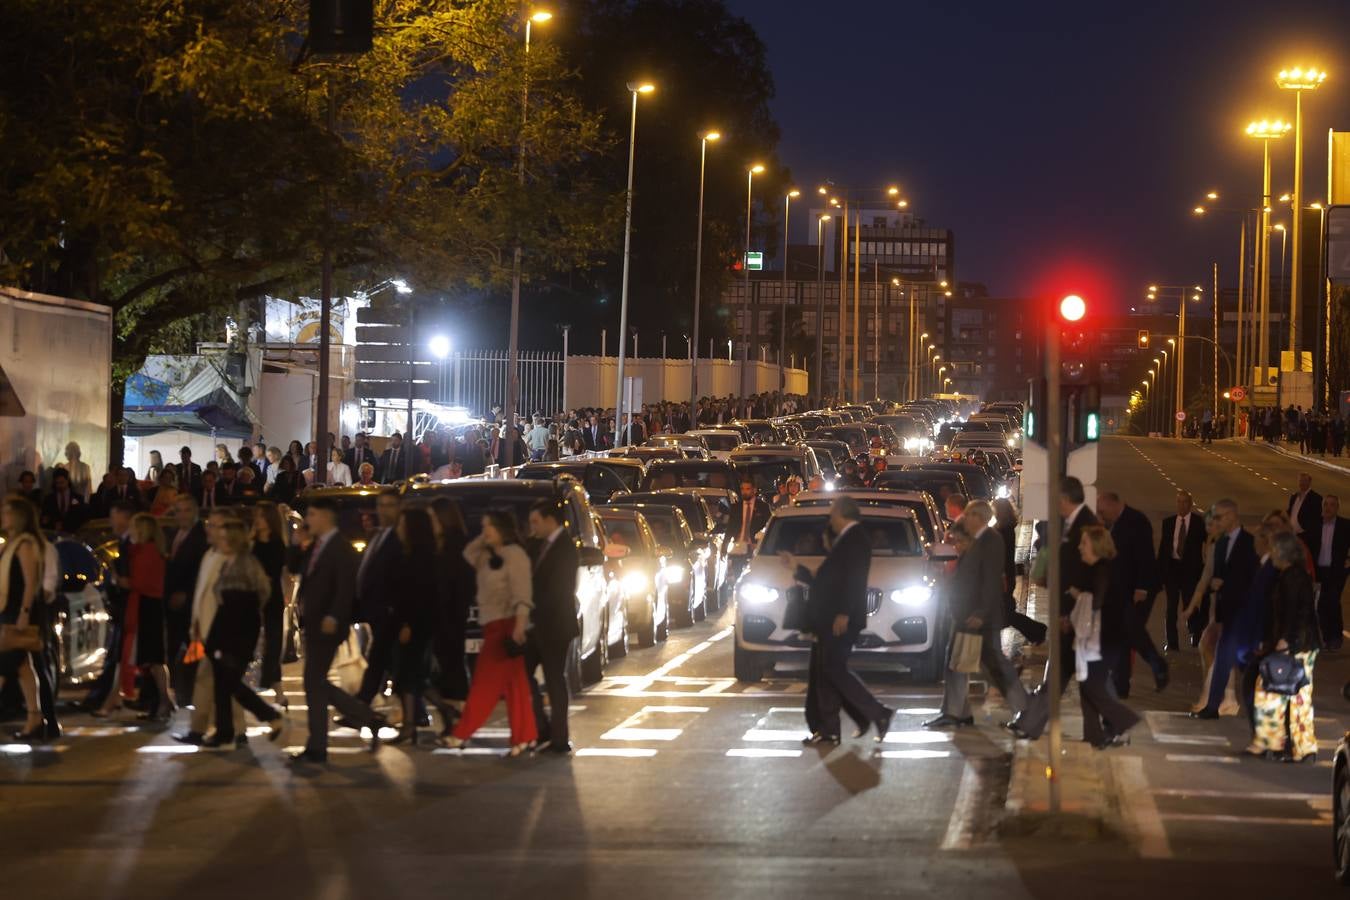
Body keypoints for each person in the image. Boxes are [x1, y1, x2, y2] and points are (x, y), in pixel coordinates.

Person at [781, 496, 893, 746]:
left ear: (843, 514)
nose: (830, 519)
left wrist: (844, 612)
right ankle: (832, 729)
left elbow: (854, 580)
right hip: (829, 617)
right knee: (827, 672)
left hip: (839, 619)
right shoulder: (847, 540)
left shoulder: (856, 539)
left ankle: (876, 713)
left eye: (833, 513)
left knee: (833, 669)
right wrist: (796, 568)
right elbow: (826, 583)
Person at [289, 497, 385, 765]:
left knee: (313, 683)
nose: (308, 520)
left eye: (311, 514)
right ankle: (369, 717)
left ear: (325, 516)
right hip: (314, 623)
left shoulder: (339, 547)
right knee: (316, 684)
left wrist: (335, 615)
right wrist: (297, 545)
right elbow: (295, 570)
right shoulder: (316, 545)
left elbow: (345, 587)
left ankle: (317, 747)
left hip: (328, 625)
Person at [439, 511, 537, 756]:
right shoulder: (484, 554)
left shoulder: (516, 555)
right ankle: (524, 737)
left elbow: (523, 594)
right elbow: (467, 555)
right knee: (516, 687)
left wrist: (519, 627)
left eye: (489, 527)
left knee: (484, 684)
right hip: (492, 623)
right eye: (483, 527)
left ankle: (460, 734)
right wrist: (483, 540)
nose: (485, 532)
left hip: (506, 625)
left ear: (502, 528)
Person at [1009, 476, 1098, 739]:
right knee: (1063, 677)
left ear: (1064, 498)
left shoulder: (1086, 525)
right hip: (1070, 615)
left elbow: (1089, 575)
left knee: (1072, 679)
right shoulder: (1071, 523)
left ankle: (1103, 729)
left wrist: (1070, 613)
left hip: (1078, 616)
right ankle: (1033, 725)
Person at [925, 505, 1027, 729]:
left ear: (979, 517)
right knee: (956, 661)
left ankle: (1024, 710)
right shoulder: (978, 539)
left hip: (980, 617)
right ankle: (956, 712)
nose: (964, 518)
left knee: (995, 666)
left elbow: (990, 580)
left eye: (969, 514)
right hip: (966, 614)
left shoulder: (991, 540)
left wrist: (980, 613)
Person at [199, 519, 286, 748]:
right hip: (226, 629)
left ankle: (270, 716)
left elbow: (249, 601)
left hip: (238, 632)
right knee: (223, 683)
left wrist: (228, 636)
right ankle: (224, 731)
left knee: (229, 682)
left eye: (226, 538)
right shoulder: (228, 562)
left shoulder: (245, 564)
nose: (221, 540)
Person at [1247, 531, 1321, 761]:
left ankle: (1283, 745)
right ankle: (1291, 746)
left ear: (1282, 552)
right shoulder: (1292, 575)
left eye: (1273, 550)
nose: (1270, 554)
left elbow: (1298, 612)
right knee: (1289, 694)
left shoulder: (1292, 577)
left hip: (1298, 645)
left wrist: (1286, 641)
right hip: (1299, 643)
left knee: (1279, 691)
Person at [174, 509, 246, 745]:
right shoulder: (209, 555)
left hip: (221, 631)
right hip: (204, 629)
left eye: (215, 525)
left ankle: (225, 729)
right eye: (209, 524)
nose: (209, 529)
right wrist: (195, 623)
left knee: (218, 681)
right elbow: (201, 594)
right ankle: (211, 729)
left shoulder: (231, 558)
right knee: (209, 681)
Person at [97, 513, 174, 721]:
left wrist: (119, 579)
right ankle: (160, 702)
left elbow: (137, 583)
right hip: (147, 606)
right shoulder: (148, 551)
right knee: (149, 659)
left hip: (145, 607)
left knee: (151, 659)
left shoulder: (145, 552)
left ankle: (164, 701)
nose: (129, 530)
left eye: (133, 526)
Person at [1069, 525, 1140, 749]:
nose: (1080, 547)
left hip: (1104, 639)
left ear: (1096, 547)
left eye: (1084, 543)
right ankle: (1093, 735)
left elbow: (1097, 602)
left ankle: (1125, 720)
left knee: (1092, 685)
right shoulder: (1093, 568)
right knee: (1086, 685)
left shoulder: (1103, 569)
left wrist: (1078, 594)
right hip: (1097, 637)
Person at [1191, 498, 1260, 719]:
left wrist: (1226, 584)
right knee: (1223, 660)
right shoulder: (1220, 544)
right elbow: (1212, 576)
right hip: (1225, 614)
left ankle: (1258, 706)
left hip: (1245, 613)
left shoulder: (1251, 543)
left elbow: (1254, 580)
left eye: (1219, 517)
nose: (1216, 521)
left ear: (1231, 516)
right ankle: (1214, 706)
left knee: (1248, 665)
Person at [1096, 491, 1168, 696]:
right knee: (1127, 634)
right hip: (1122, 590)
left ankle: (1151, 667)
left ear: (1112, 505)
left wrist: (1141, 589)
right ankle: (1124, 683)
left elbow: (1145, 556)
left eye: (1102, 511)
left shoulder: (1137, 521)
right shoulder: (1113, 523)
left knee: (1130, 632)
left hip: (1139, 590)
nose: (1102, 515)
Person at [525, 499, 580, 754]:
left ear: (550, 520)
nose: (532, 526)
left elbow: (558, 590)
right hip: (540, 625)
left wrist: (533, 613)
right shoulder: (542, 545)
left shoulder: (565, 547)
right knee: (526, 675)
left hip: (555, 625)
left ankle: (559, 737)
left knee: (555, 680)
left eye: (535, 521)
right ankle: (544, 728)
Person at [387, 506, 439, 745]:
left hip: (415, 622)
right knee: (412, 676)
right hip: (413, 620)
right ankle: (442, 711)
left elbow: (417, 594)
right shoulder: (414, 552)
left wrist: (408, 623)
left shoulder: (420, 555)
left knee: (409, 675)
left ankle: (410, 725)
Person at [0, 497, 49, 741]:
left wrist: (24, 612)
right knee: (23, 668)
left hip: (19, 612)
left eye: (8, 512)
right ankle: (34, 718)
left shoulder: (25, 544)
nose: (3, 515)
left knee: (5, 664)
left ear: (19, 516)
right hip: (10, 610)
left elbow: (31, 582)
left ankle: (35, 719)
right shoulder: (11, 543)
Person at [354, 488, 404, 713]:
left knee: (380, 659)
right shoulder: (379, 534)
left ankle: (360, 707)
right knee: (392, 663)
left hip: (390, 610)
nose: (383, 510)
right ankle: (420, 710)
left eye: (389, 505)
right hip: (376, 609)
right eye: (381, 505)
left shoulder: (399, 537)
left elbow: (401, 576)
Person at [426, 498, 474, 735]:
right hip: (443, 613)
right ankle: (450, 714)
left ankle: (455, 715)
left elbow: (459, 582)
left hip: (450, 614)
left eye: (433, 518)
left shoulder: (454, 544)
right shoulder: (441, 543)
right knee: (445, 667)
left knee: (451, 665)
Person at [992, 497, 1046, 646]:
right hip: (1006, 573)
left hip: (1003, 575)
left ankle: (1037, 630)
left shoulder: (1002, 530)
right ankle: (1036, 631)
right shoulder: (1007, 527)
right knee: (1005, 611)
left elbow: (1000, 553)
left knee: (1006, 612)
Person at [1158, 489, 1207, 650]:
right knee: (1171, 607)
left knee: (1189, 604)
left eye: (1185, 502)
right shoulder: (1168, 522)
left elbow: (1210, 541)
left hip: (1190, 571)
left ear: (1191, 504)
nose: (1182, 505)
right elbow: (1163, 549)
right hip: (1172, 568)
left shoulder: (1199, 523)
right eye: (1179, 501)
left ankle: (1195, 633)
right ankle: (1172, 642)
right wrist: (1160, 573)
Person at [250, 502, 288, 703]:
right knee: (255, 644)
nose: (257, 520)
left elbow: (273, 573)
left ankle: (277, 691)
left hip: (271, 598)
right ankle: (273, 691)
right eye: (256, 516)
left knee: (272, 646)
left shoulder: (276, 544)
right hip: (253, 599)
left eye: (261, 516)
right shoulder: (252, 543)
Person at [1307, 494, 1350, 650]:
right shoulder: (1315, 525)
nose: (1328, 508)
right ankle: (1326, 637)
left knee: (1332, 601)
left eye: (1332, 505)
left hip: (1336, 572)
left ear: (1337, 508)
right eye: (1326, 504)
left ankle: (1335, 637)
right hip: (1319, 571)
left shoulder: (1345, 526)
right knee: (1321, 605)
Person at [40, 468, 86, 532]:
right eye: (57, 483)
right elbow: (45, 519)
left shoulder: (78, 498)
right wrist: (54, 524)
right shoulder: (49, 499)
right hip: (54, 534)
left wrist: (65, 525)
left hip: (73, 534)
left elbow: (81, 518)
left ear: (67, 480)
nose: (59, 485)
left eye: (62, 482)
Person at [1287, 472, 1321, 537]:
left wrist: (1308, 532)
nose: (1302, 483)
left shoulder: (1316, 498)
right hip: (1292, 533)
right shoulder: (1294, 496)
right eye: (1300, 481)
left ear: (1310, 482)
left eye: (1305, 481)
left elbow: (1317, 519)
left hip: (1305, 535)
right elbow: (1290, 512)